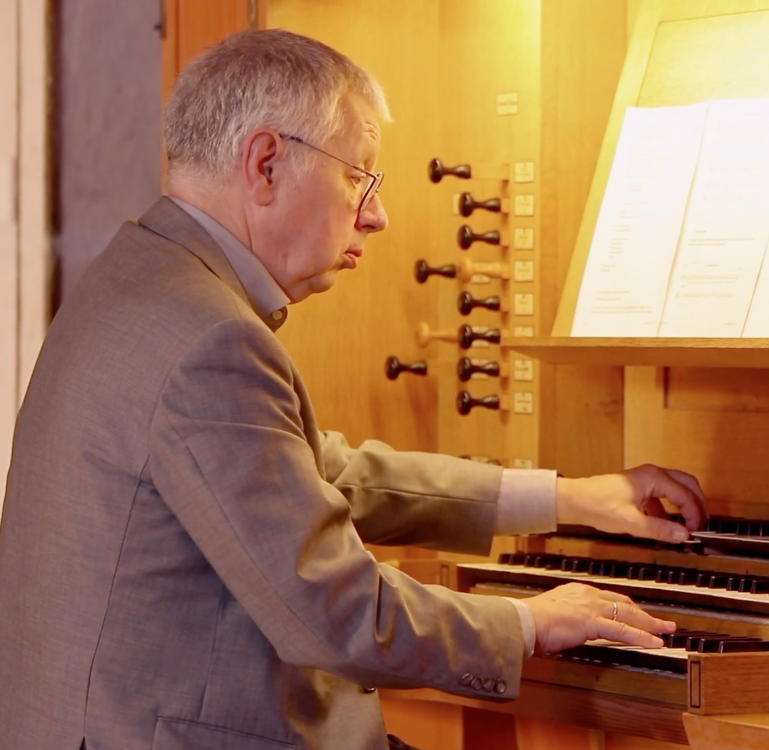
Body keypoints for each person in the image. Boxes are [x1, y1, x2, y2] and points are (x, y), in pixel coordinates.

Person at [0, 29, 706, 750]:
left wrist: (569, 498)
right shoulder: (209, 338)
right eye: (358, 178)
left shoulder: (142, 277)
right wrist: (527, 622)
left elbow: (314, 471)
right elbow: (333, 611)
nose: (376, 215)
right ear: (266, 163)